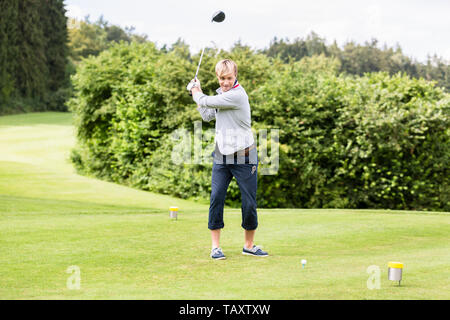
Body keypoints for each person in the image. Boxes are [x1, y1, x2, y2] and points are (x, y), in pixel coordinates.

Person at [187, 59, 268, 260]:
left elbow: (204, 101)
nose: (225, 82)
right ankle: (215, 247)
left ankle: (248, 246)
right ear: (218, 77)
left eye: (229, 78)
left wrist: (196, 92)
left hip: (244, 155)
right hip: (222, 155)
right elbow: (206, 115)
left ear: (235, 76)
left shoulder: (238, 96)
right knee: (216, 198)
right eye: (222, 78)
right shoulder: (220, 95)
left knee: (248, 202)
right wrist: (197, 92)